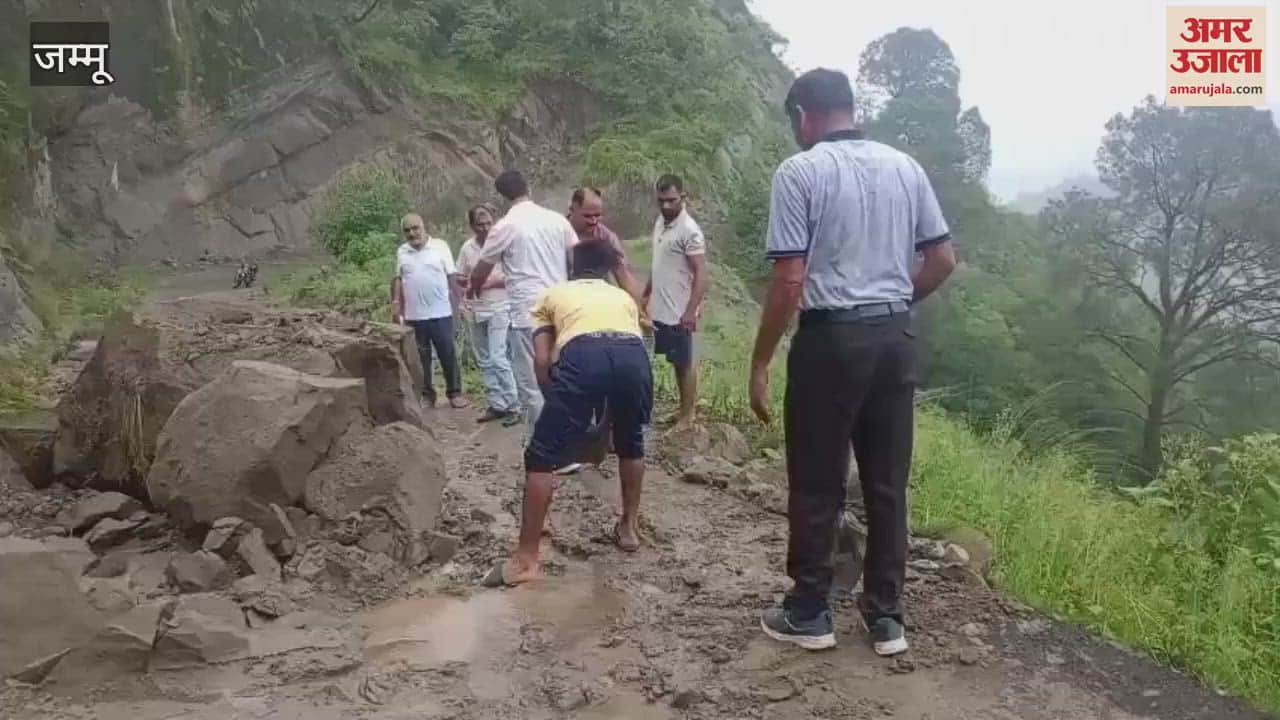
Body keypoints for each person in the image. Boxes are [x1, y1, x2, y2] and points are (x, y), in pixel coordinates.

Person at [748, 68, 957, 656]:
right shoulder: (905, 167)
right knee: (887, 483)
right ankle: (886, 618)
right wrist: (892, 304)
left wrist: (761, 360)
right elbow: (942, 260)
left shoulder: (800, 172)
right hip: (894, 340)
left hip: (831, 341)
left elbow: (790, 279)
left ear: (803, 117)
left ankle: (810, 611)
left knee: (818, 478)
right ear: (850, 108)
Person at [487, 240, 653, 585]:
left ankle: (526, 559)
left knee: (540, 456)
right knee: (631, 441)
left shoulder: (552, 295)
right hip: (634, 358)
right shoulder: (622, 297)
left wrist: (558, 409)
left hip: (584, 354)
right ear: (606, 271)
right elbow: (622, 349)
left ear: (571, 268)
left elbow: (542, 361)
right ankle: (629, 528)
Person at [467, 170, 577, 440]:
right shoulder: (557, 220)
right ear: (528, 188)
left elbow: (481, 270)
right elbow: (574, 260)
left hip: (527, 315)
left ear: (501, 196)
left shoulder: (504, 227)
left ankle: (544, 445)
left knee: (532, 383)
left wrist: (474, 288)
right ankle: (569, 439)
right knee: (563, 376)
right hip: (561, 310)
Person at [642, 174, 707, 428]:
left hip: (680, 309)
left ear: (683, 197)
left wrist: (691, 310)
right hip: (662, 307)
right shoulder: (661, 222)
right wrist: (647, 290)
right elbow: (658, 261)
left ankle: (688, 415)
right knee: (674, 361)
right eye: (661, 201)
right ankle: (682, 409)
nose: (666, 205)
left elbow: (701, 273)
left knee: (685, 361)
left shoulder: (689, 230)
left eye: (671, 200)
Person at [392, 213, 468, 409]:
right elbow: (398, 278)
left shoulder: (440, 246)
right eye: (407, 230)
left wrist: (460, 303)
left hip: (441, 313)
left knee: (448, 354)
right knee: (420, 359)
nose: (412, 233)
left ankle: (454, 393)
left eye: (415, 228)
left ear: (423, 227)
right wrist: (396, 304)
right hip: (414, 316)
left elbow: (452, 277)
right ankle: (427, 395)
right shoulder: (402, 251)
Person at [456, 204, 519, 423]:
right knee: (484, 359)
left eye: (488, 223)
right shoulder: (467, 248)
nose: (485, 228)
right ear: (472, 226)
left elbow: (515, 276)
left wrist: (492, 281)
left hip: (500, 307)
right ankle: (496, 404)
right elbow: (460, 275)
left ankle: (514, 405)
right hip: (475, 308)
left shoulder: (503, 243)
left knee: (498, 357)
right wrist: (467, 282)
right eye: (479, 224)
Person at [567, 186, 644, 303]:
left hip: (599, 299)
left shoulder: (607, 238)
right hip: (568, 298)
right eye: (587, 216)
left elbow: (624, 276)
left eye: (597, 215)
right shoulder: (558, 233)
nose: (593, 221)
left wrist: (642, 307)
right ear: (572, 210)